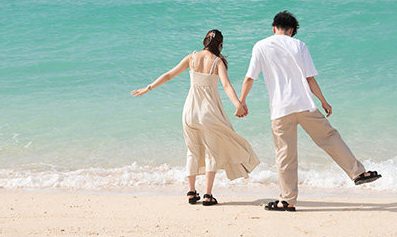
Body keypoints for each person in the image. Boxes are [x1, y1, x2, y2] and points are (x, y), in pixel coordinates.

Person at [237, 11, 381, 212]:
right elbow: (310, 78)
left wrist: (241, 102)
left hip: (280, 109)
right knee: (330, 137)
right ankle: (357, 173)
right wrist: (324, 101)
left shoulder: (260, 46)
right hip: (304, 105)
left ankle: (287, 200)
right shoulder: (300, 45)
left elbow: (249, 78)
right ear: (292, 30)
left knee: (285, 155)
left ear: (273, 28)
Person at [132, 30, 259, 206]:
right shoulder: (217, 62)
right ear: (220, 45)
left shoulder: (191, 58)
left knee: (192, 151)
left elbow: (169, 74)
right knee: (211, 153)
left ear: (203, 41)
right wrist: (238, 104)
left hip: (190, 112)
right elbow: (226, 85)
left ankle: (191, 193)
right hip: (209, 113)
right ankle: (208, 195)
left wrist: (148, 88)